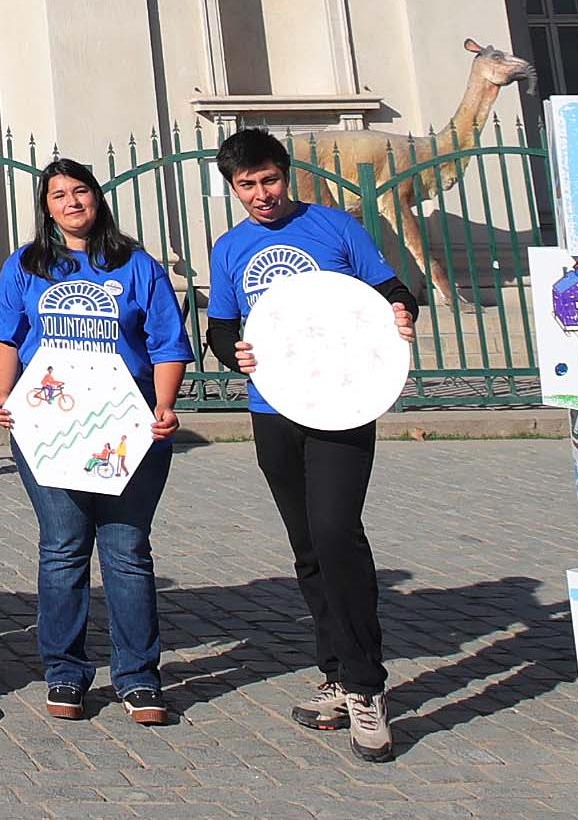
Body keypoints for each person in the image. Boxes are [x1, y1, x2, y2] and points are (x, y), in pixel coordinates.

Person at [204, 128, 421, 762]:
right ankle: (333, 670)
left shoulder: (335, 228)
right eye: (247, 185)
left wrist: (403, 312)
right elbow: (221, 328)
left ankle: (365, 687)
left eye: (270, 180)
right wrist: (232, 353)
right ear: (233, 188)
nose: (262, 194)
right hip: (273, 408)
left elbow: (392, 291)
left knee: (336, 532)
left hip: (341, 403)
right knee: (306, 548)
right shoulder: (231, 248)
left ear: (286, 174)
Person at [0, 158, 192, 725]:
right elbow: (6, 334)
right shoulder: (25, 266)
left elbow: (168, 341)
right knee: (63, 550)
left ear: (97, 198)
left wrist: (166, 405)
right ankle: (66, 672)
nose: (72, 202)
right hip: (49, 428)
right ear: (45, 207)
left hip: (130, 426)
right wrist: (5, 395)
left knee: (127, 552)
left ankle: (137, 677)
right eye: (58, 195)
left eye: (80, 191)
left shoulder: (136, 264)